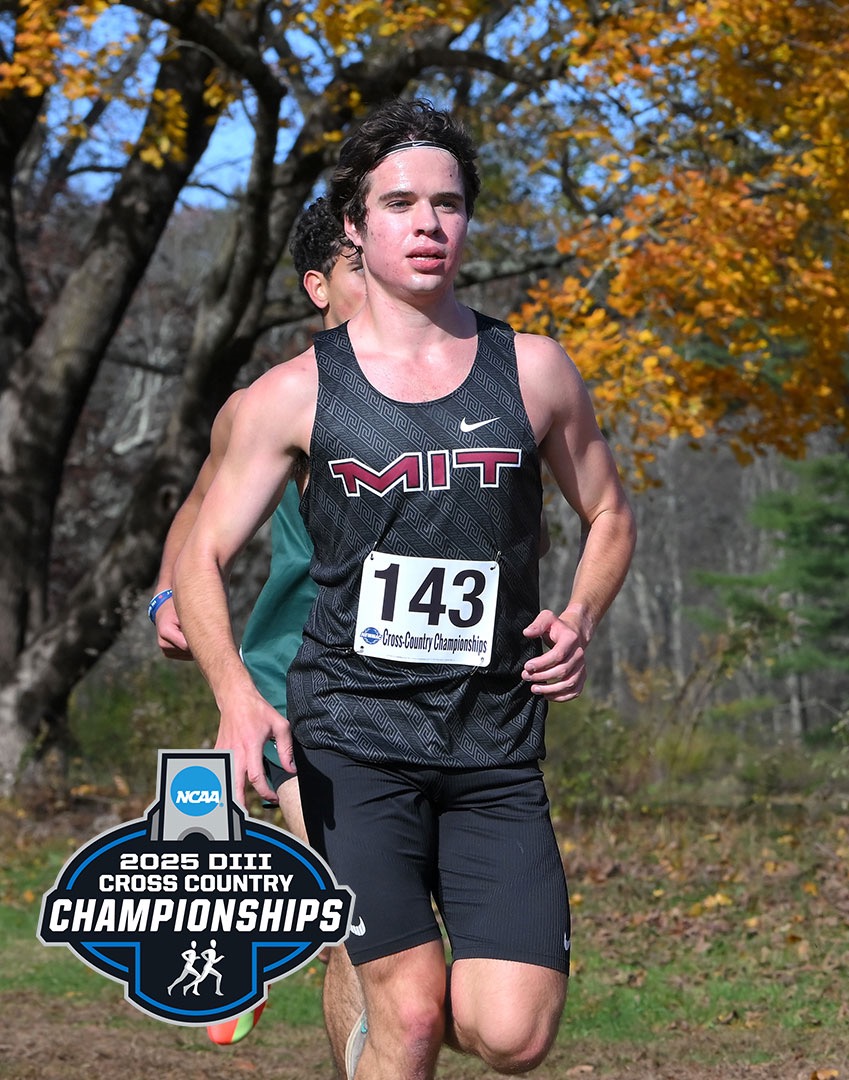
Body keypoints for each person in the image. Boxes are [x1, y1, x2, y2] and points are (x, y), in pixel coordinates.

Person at [174, 99, 636, 1080]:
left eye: (448, 204)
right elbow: (198, 551)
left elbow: (609, 515)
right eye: (399, 203)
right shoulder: (292, 395)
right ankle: (386, 1026)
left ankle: (373, 1032)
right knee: (415, 1012)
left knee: (513, 1033)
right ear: (354, 224)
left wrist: (583, 612)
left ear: (468, 221)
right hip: (350, 740)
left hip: (493, 740)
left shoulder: (537, 372)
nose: (427, 224)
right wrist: (234, 692)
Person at [149, 197, 368, 1059]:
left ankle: (240, 922)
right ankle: (216, 933)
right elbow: (197, 514)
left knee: (373, 916)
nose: (383, 274)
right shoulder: (271, 402)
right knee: (361, 913)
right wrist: (168, 599)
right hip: (290, 683)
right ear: (318, 286)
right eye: (356, 264)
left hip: (427, 698)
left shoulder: (460, 386)